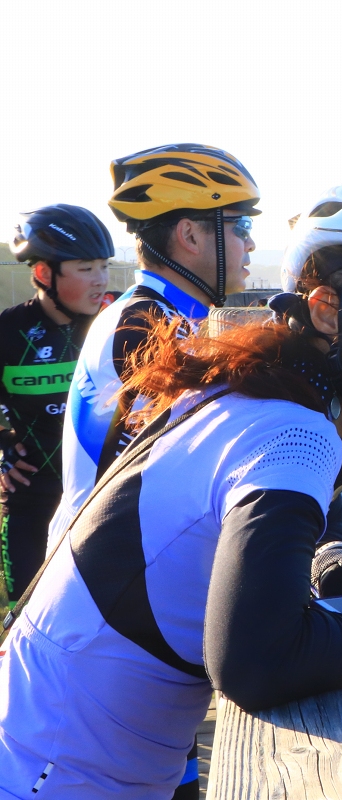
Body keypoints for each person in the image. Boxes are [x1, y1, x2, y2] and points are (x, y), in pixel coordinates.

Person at [0, 163, 342, 798]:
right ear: (330, 309)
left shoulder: (249, 394)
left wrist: (328, 564)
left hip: (42, 746)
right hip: (55, 778)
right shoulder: (297, 435)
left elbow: (198, 531)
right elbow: (255, 661)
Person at [47, 144, 260, 559]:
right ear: (191, 235)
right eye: (242, 225)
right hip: (102, 580)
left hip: (119, 567)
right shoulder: (145, 325)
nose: (250, 243)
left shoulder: (164, 313)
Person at [0, 205, 112, 601]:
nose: (101, 280)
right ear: (44, 274)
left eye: (103, 266)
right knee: (23, 625)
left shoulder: (116, 323)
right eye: (85, 269)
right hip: (32, 505)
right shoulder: (7, 333)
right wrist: (2, 447)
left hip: (103, 503)